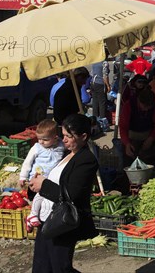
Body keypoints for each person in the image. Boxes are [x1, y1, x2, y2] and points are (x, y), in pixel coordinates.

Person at [29, 114, 99, 273]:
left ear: (83, 136)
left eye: (69, 136)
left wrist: (44, 185)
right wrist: (34, 185)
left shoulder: (87, 160)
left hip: (62, 223)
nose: (64, 139)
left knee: (60, 267)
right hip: (47, 219)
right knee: (42, 267)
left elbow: (72, 194)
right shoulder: (67, 154)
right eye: (63, 135)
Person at [19, 120, 65, 232]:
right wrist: (22, 177)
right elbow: (27, 162)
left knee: (47, 200)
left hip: (51, 179)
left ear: (55, 137)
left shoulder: (61, 145)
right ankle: (33, 215)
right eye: (39, 139)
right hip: (37, 178)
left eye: (45, 139)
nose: (41, 142)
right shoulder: (36, 147)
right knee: (40, 195)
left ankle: (36, 219)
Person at [119, 88, 155, 166]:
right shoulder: (129, 105)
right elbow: (123, 126)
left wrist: (151, 138)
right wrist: (127, 143)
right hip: (131, 138)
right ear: (139, 101)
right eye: (144, 106)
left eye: (148, 108)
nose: (146, 110)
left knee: (148, 163)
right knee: (129, 163)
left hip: (147, 138)